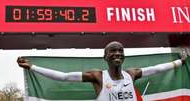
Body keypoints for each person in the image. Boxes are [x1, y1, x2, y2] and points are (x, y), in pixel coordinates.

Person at [17, 41, 186, 101]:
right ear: (105, 57)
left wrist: (180, 61)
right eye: (113, 51)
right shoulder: (98, 76)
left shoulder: (131, 74)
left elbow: (157, 69)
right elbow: (63, 76)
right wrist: (32, 67)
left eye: (120, 50)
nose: (117, 53)